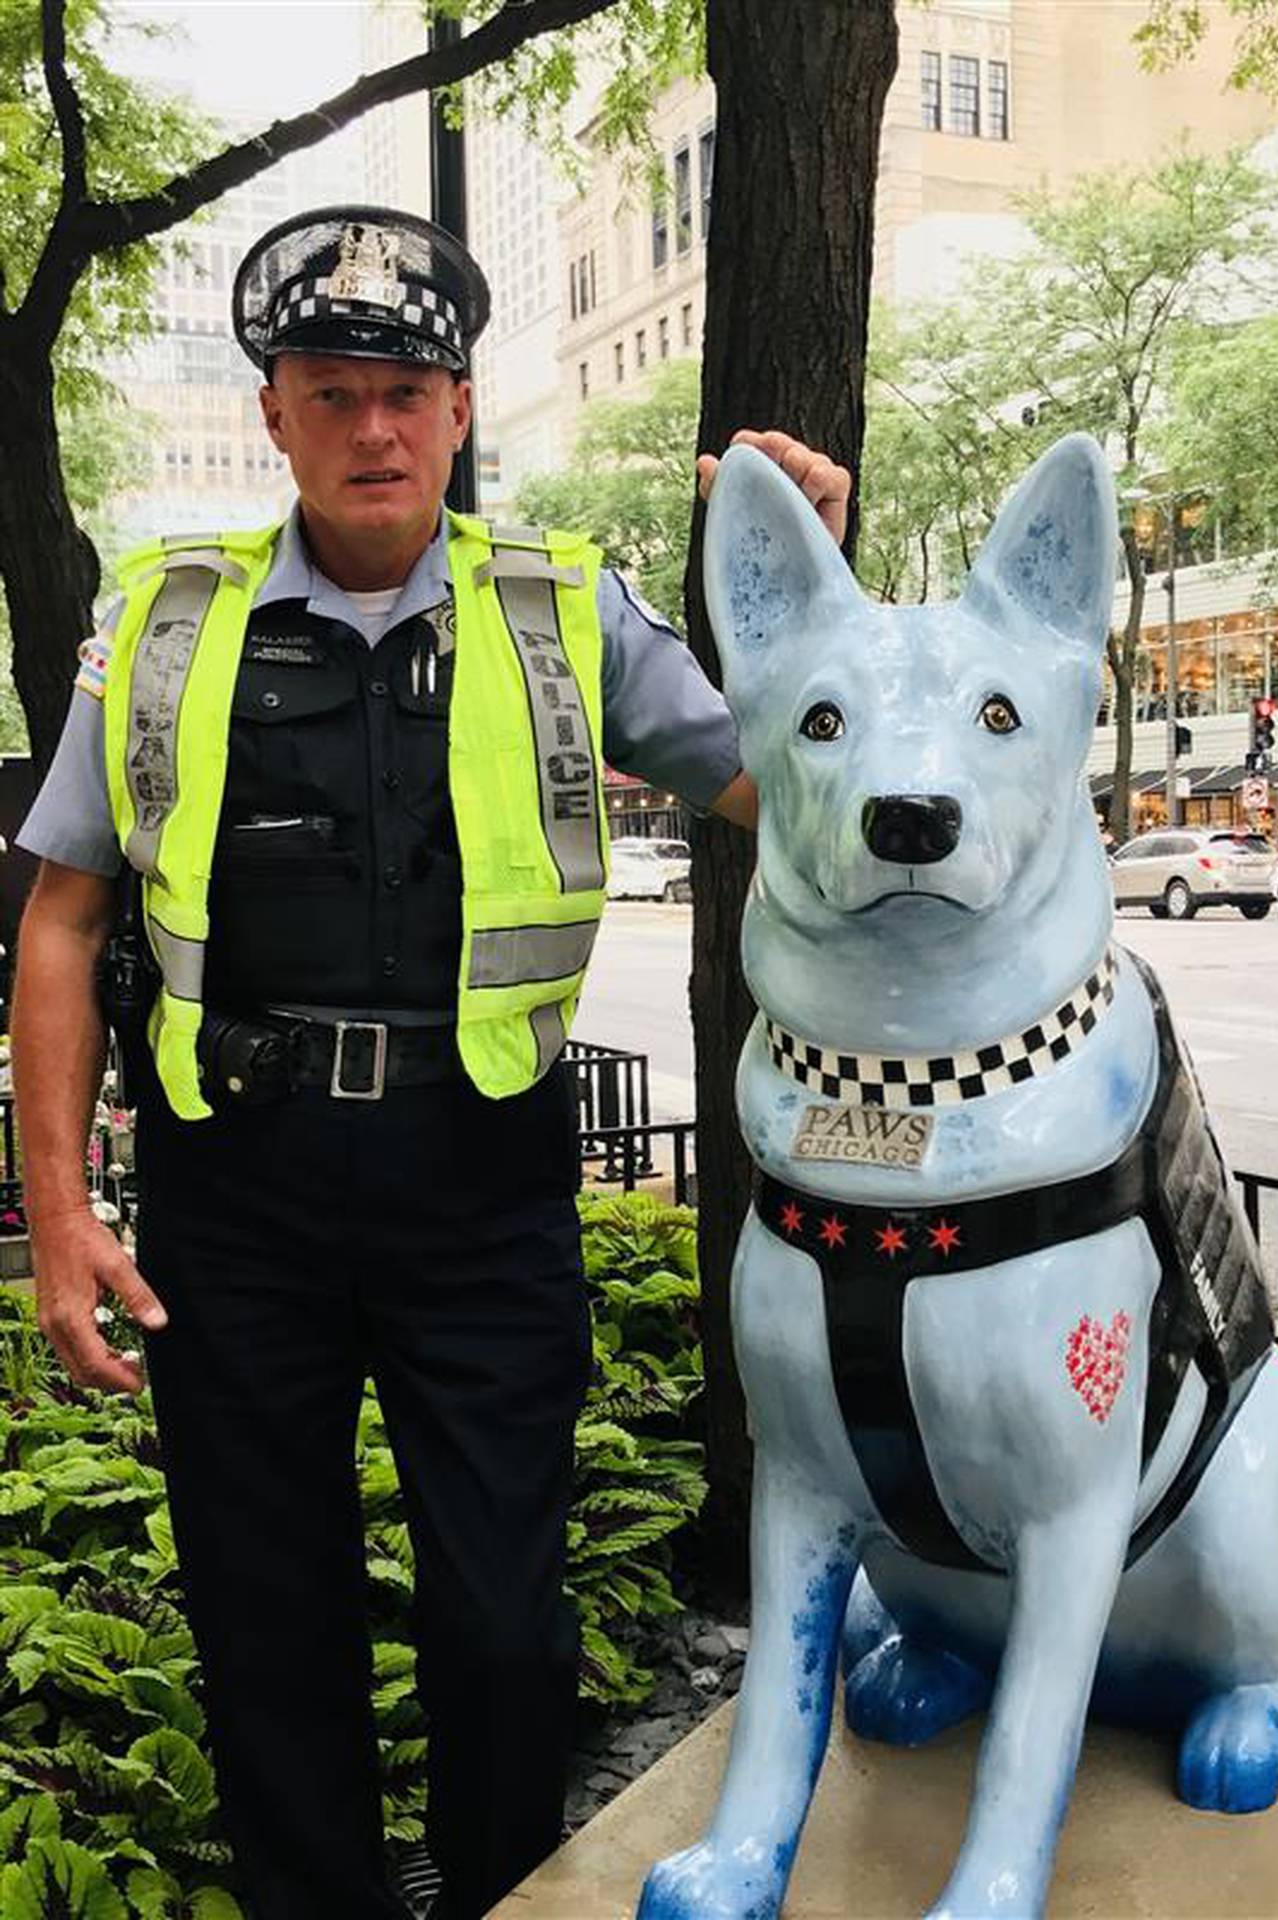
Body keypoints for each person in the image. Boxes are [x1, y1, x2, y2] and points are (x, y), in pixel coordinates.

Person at [9, 205, 850, 1920]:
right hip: (235, 1185)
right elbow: (63, 924)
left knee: (501, 1615)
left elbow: (791, 792)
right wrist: (63, 1219)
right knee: (265, 1610)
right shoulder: (168, 616)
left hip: (481, 1186)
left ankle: (497, 1893)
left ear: (461, 411)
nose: (373, 429)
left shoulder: (564, 611)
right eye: (332, 393)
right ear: (275, 414)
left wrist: (809, 603)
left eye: (406, 393)